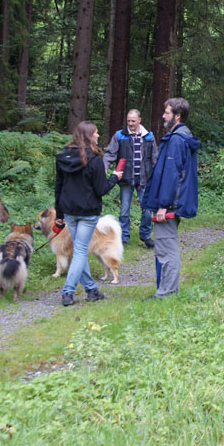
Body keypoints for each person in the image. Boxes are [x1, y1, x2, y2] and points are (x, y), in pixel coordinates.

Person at [55, 121, 123, 306]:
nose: (98, 136)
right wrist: (114, 178)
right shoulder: (94, 160)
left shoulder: (63, 156)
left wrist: (59, 214)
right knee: (80, 252)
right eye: (96, 133)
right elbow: (101, 189)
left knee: (79, 250)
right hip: (87, 212)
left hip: (69, 211)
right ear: (88, 136)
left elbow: (58, 188)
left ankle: (91, 290)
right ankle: (68, 292)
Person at [142, 98, 200, 299]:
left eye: (167, 112)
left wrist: (163, 206)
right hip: (171, 203)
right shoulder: (179, 137)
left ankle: (166, 293)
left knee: (166, 249)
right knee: (165, 246)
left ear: (177, 116)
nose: (163, 116)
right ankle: (167, 290)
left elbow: (172, 175)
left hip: (169, 205)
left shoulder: (176, 140)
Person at [103, 109, 158, 248]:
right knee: (124, 210)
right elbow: (110, 153)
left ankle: (145, 235)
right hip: (126, 178)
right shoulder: (120, 135)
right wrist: (104, 167)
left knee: (146, 209)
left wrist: (158, 175)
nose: (130, 123)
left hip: (145, 178)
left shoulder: (149, 136)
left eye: (133, 121)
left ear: (139, 120)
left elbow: (155, 158)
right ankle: (124, 237)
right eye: (128, 121)